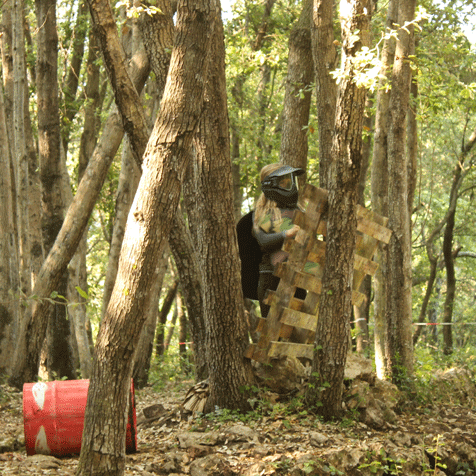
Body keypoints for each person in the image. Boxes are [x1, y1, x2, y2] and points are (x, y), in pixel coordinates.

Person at [252, 163, 305, 317]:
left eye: (289, 181)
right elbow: (263, 241)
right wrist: (286, 234)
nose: (288, 185)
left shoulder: (299, 211)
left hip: (297, 278)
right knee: (273, 334)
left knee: (299, 334)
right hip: (271, 279)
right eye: (283, 182)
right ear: (272, 184)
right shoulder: (262, 213)